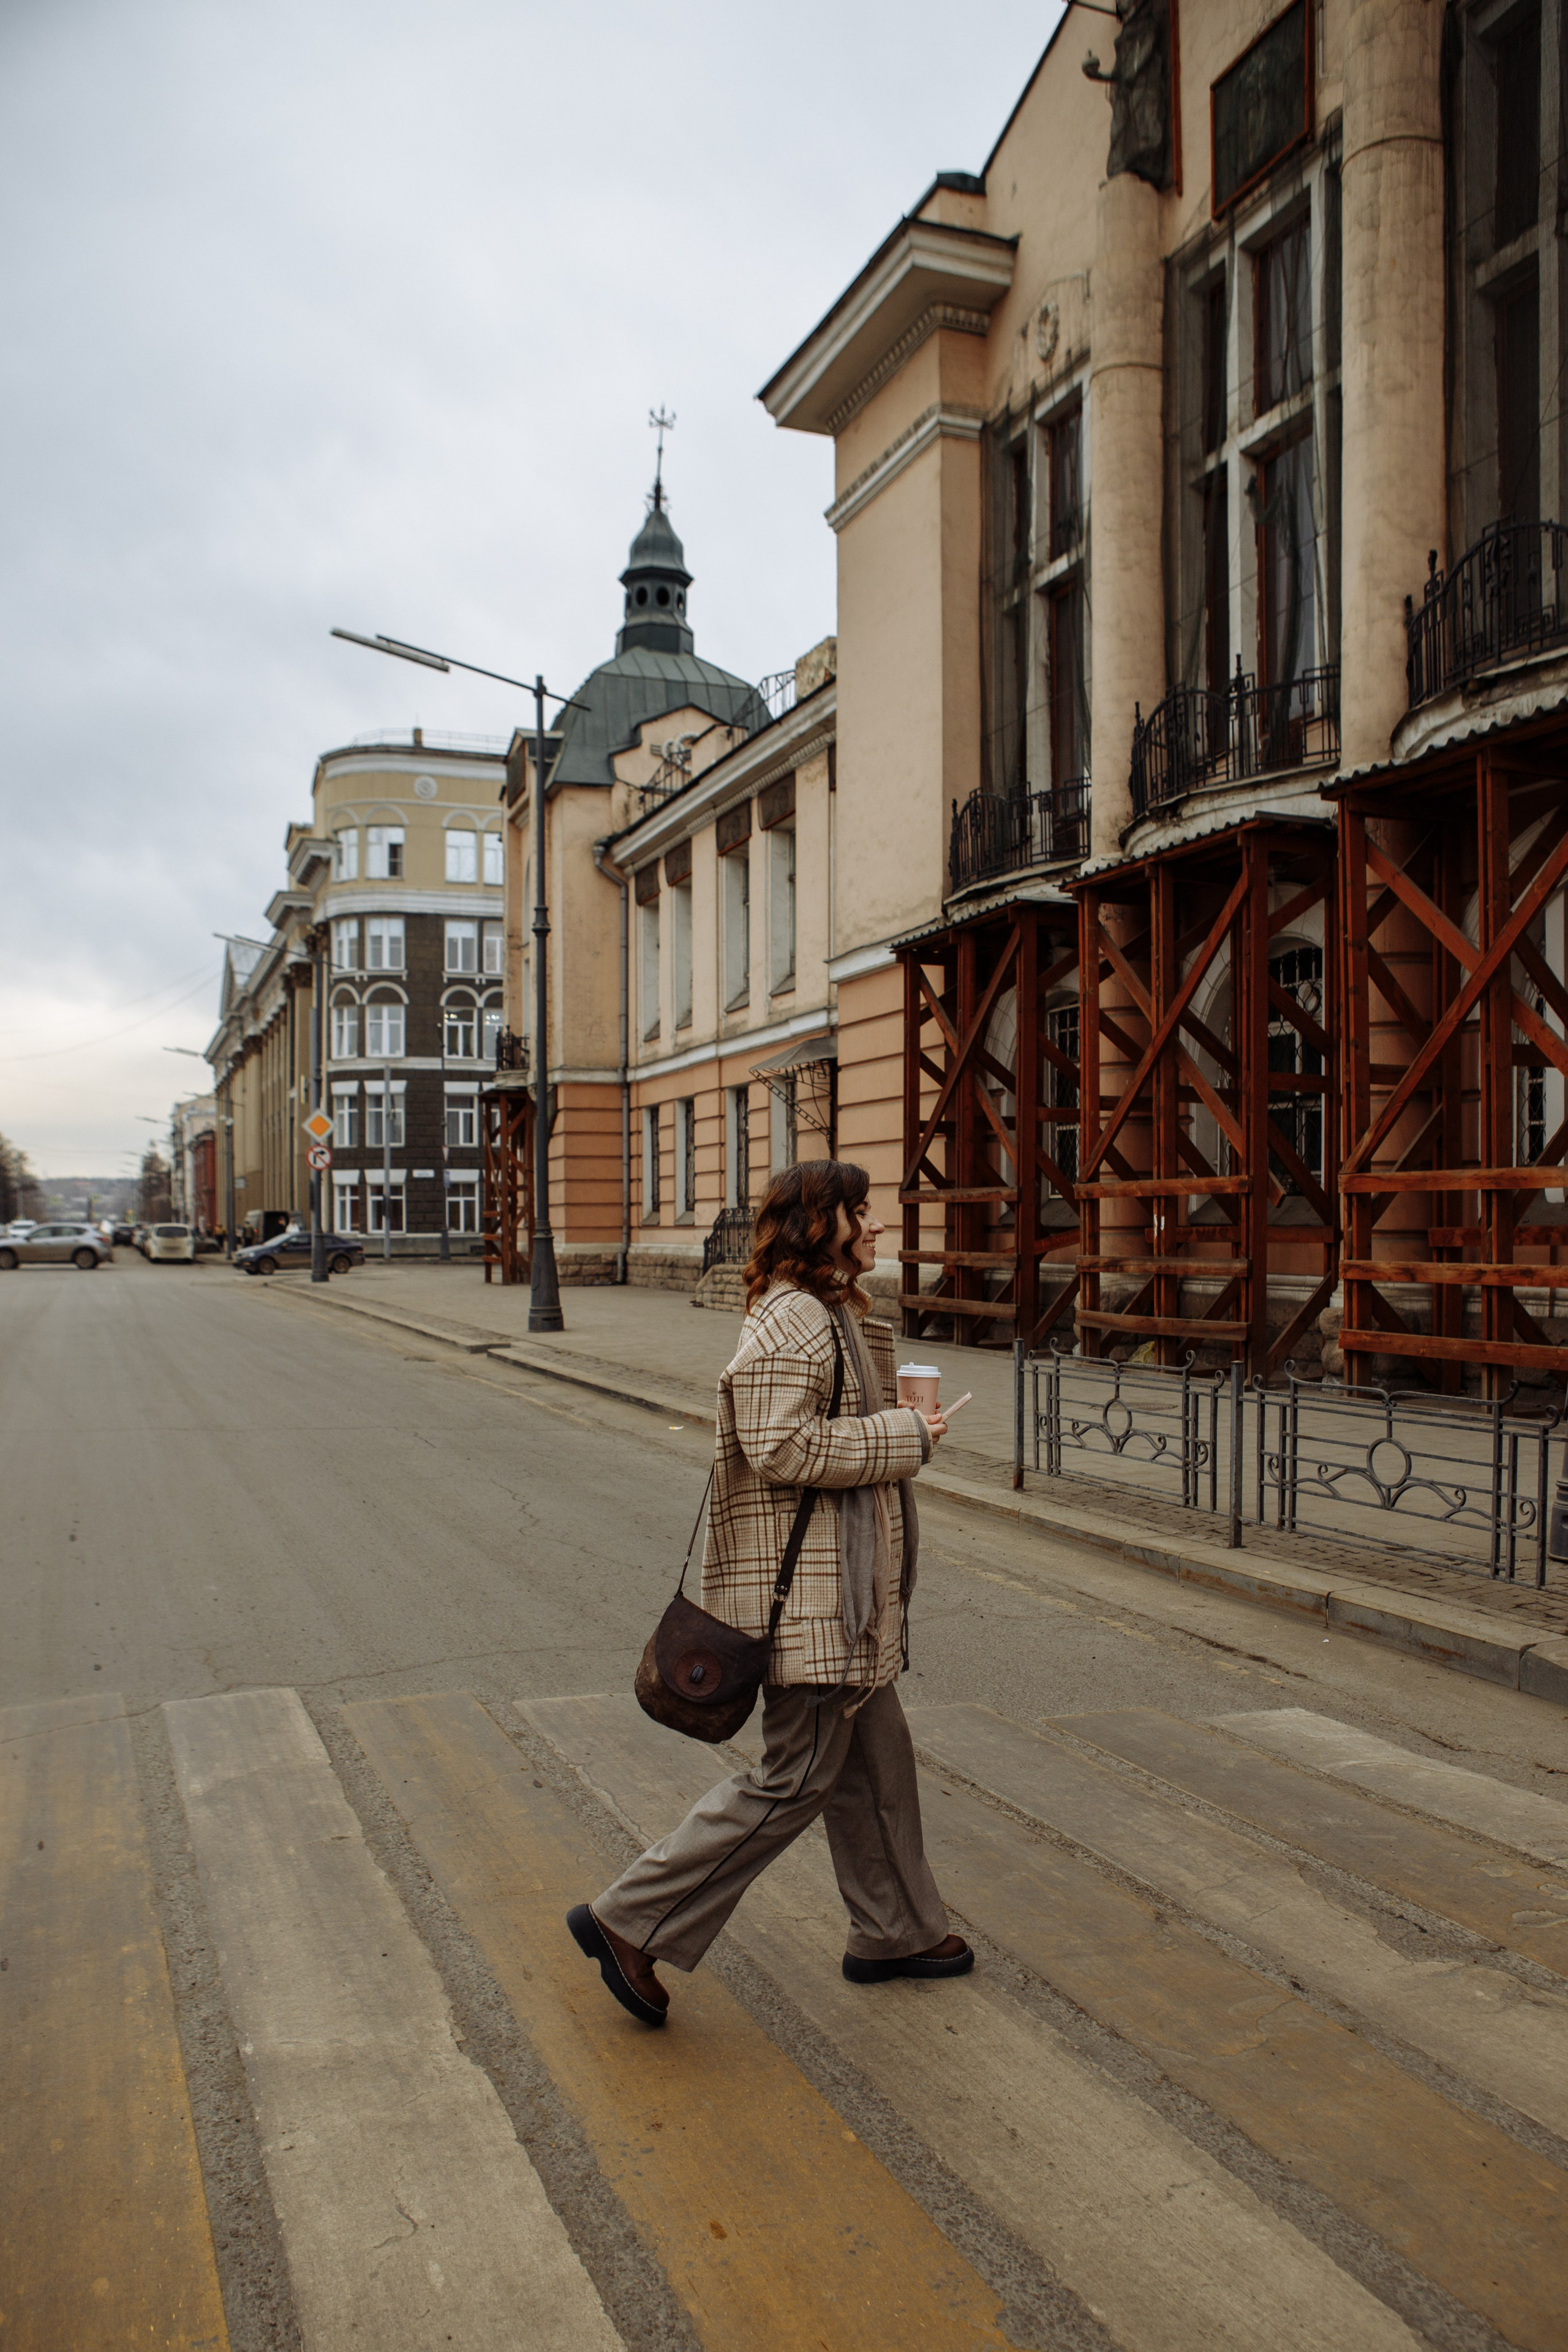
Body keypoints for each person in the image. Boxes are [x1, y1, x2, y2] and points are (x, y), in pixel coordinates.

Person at [568, 1157, 972, 2026]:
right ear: (820, 1224)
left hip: (845, 1597)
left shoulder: (830, 1309)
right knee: (794, 1780)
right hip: (816, 1603)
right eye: (861, 1211)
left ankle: (895, 1930)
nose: (877, 1224)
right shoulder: (796, 1318)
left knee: (875, 1764)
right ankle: (631, 1919)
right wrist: (905, 1434)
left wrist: (894, 1408)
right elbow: (780, 1445)